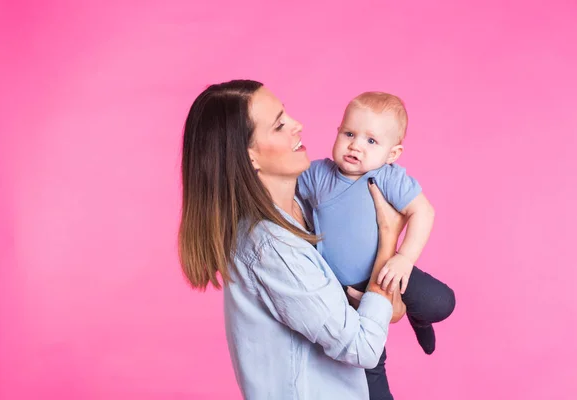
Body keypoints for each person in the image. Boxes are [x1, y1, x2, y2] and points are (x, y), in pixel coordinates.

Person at [178, 79, 407, 399]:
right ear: (250, 157)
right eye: (279, 125)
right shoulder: (271, 247)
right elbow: (364, 347)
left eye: (287, 114)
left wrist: (380, 302)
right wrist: (389, 237)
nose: (297, 126)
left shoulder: (308, 207)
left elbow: (370, 314)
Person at [297, 91, 456, 399]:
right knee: (369, 362)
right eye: (349, 133)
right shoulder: (318, 175)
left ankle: (416, 315)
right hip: (343, 290)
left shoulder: (386, 176)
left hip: (387, 271)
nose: (356, 145)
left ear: (393, 153)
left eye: (371, 141)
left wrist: (405, 259)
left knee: (442, 302)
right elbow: (281, 194)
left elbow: (423, 211)